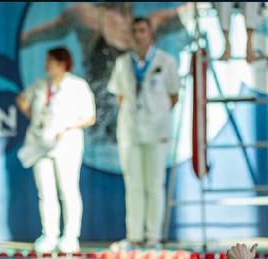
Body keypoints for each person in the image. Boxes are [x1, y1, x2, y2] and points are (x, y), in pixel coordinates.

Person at [20, 3, 189, 149]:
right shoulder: (86, 16)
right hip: (102, 131)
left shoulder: (153, 22)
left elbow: (194, 12)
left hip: (141, 125)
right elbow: (36, 35)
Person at [107, 17, 181, 250]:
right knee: (133, 185)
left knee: (154, 184)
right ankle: (134, 236)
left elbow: (173, 95)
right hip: (130, 131)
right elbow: (120, 96)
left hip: (157, 131)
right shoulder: (122, 63)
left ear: (151, 35)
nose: (139, 35)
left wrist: (156, 116)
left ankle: (153, 237)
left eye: (142, 31)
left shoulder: (166, 62)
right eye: (135, 31)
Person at [16, 48, 96, 254]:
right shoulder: (41, 85)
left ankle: (70, 236)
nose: (46, 66)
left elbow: (90, 117)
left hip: (66, 144)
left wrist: (67, 127)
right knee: (46, 192)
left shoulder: (78, 86)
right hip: (40, 144)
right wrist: (34, 118)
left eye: (50, 61)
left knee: (68, 190)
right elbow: (22, 100)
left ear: (63, 64)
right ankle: (49, 234)